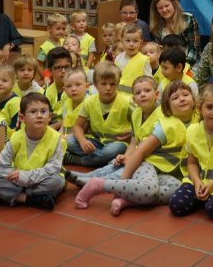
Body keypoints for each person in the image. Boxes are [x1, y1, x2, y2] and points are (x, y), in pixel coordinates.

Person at [75, 81, 195, 216]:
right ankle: (98, 184)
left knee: (176, 188)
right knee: (148, 190)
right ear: (167, 106)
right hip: (147, 164)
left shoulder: (198, 120)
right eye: (175, 98)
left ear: (193, 98)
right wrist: (123, 183)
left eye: (186, 95)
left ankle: (126, 201)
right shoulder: (166, 125)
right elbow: (140, 151)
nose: (182, 99)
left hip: (166, 172)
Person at [169, 84, 213, 219]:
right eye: (209, 107)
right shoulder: (192, 130)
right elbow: (191, 164)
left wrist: (212, 185)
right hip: (199, 180)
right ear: (199, 108)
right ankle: (201, 195)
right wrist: (197, 182)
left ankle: (205, 198)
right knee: (176, 205)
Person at [0, 92, 66, 210]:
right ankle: (32, 199)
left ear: (49, 117)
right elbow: (2, 166)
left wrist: (26, 177)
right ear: (22, 118)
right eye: (33, 112)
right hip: (18, 180)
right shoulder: (16, 137)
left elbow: (53, 168)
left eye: (43, 111)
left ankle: (14, 196)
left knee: (57, 182)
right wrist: (16, 176)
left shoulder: (56, 138)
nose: (39, 116)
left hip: (40, 179)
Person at [67, 61, 132, 167]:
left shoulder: (127, 102)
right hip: (96, 142)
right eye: (103, 84)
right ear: (96, 85)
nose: (108, 88)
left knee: (111, 151)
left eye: (112, 84)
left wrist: (131, 133)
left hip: (117, 143)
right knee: (69, 141)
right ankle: (102, 160)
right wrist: (83, 141)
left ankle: (78, 160)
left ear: (118, 83)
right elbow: (77, 126)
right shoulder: (89, 101)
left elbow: (141, 124)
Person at [149, 0, 201, 66]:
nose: (164, 10)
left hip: (189, 62)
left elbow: (194, 49)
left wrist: (184, 66)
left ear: (174, 4)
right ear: (156, 10)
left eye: (167, 6)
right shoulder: (156, 25)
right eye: (160, 8)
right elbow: (159, 50)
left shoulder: (188, 19)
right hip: (166, 64)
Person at [115, 23, 151, 95]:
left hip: (136, 101)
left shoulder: (144, 60)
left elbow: (149, 82)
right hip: (119, 98)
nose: (131, 44)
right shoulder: (118, 58)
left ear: (141, 42)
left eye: (135, 41)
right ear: (122, 41)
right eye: (128, 41)